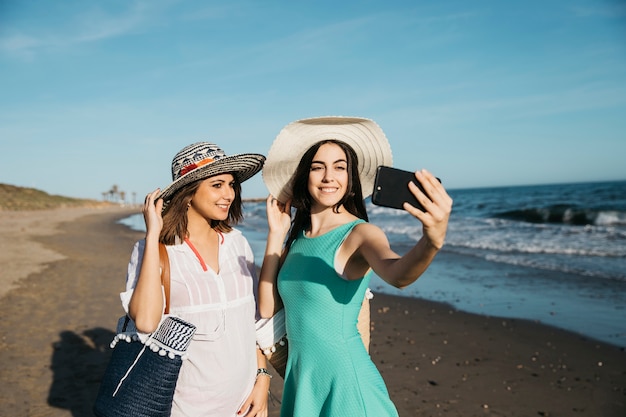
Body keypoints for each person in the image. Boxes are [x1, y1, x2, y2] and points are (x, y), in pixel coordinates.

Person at [258, 117, 452, 417]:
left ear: (351, 178)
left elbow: (398, 274)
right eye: (317, 166)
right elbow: (267, 308)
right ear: (304, 175)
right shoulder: (297, 239)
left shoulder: (360, 234)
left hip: (346, 385)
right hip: (304, 383)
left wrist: (432, 240)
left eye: (339, 166)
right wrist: (275, 235)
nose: (328, 176)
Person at [122, 142, 270, 417]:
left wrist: (262, 377)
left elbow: (254, 321)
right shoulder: (152, 251)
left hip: (244, 404)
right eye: (217, 185)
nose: (229, 194)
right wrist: (153, 236)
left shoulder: (238, 244)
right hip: (186, 407)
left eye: (231, 184)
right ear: (188, 194)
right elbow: (144, 321)